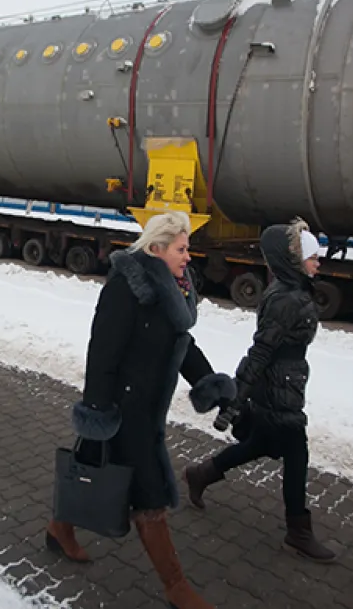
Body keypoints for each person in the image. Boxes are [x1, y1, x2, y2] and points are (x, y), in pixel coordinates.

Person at [49, 210, 236, 609]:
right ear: (156, 249)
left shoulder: (172, 290)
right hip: (121, 411)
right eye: (182, 249)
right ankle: (176, 587)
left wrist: (212, 386)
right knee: (149, 496)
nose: (188, 257)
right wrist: (98, 411)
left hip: (148, 409)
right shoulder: (126, 287)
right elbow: (101, 351)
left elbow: (182, 346)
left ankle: (58, 528)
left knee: (93, 473)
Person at [183, 218, 340, 563]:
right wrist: (237, 396)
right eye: (313, 256)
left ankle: (201, 473)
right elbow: (261, 351)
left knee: (261, 444)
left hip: (285, 382)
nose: (319, 261)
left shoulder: (292, 291)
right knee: (296, 452)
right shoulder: (287, 298)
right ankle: (298, 531)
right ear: (293, 260)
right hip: (278, 388)